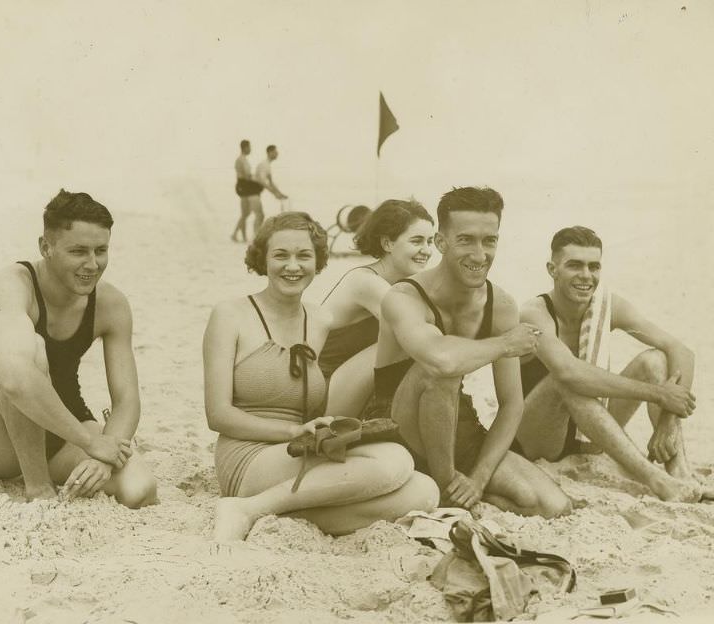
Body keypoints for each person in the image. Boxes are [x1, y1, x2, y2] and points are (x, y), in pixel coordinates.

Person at [204, 211, 438, 541]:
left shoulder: (319, 320)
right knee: (394, 461)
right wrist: (291, 430)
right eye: (281, 255)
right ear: (263, 259)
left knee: (424, 492)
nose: (293, 266)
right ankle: (244, 508)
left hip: (296, 448)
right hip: (248, 456)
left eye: (304, 256)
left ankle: (280, 510)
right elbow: (218, 414)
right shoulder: (230, 314)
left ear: (318, 262)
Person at [367, 186, 571, 518]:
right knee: (441, 368)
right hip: (398, 430)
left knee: (551, 506)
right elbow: (440, 360)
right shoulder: (404, 296)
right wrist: (506, 344)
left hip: (454, 426)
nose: (479, 255)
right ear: (440, 242)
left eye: (489, 240)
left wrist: (478, 478)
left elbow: (511, 403)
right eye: (466, 240)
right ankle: (447, 489)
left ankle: (461, 494)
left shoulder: (500, 305)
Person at [0, 189, 157, 508]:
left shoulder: (111, 304)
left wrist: (105, 456)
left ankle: (54, 471)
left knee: (139, 488)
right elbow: (13, 380)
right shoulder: (12, 285)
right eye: (78, 251)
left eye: (101, 250)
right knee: (27, 352)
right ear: (45, 247)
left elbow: (127, 398)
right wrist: (91, 441)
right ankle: (38, 490)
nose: (92, 264)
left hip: (63, 427)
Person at [514, 226, 706, 503]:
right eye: (574, 265)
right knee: (563, 378)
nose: (586, 275)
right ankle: (657, 480)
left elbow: (681, 351)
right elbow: (569, 372)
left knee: (654, 360)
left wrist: (667, 421)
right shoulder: (535, 312)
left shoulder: (606, 305)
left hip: (589, 428)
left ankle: (680, 473)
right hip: (537, 438)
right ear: (552, 269)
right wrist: (659, 394)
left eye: (594, 266)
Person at [319, 199, 434, 420]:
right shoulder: (366, 282)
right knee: (407, 338)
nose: (427, 250)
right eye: (417, 241)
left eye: (430, 241)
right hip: (326, 389)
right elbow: (420, 332)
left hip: (353, 382)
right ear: (388, 244)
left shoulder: (404, 285)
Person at [232, 139, 264, 242]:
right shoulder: (241, 160)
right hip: (244, 185)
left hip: (243, 185)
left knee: (245, 213)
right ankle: (241, 236)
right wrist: (257, 179)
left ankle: (237, 234)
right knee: (245, 212)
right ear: (245, 147)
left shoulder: (242, 159)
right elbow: (247, 175)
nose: (250, 149)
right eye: (249, 147)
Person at [254, 144, 287, 209]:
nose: (277, 153)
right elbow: (261, 181)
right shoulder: (264, 164)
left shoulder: (268, 165)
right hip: (252, 191)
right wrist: (274, 193)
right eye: (275, 152)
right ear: (270, 153)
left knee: (249, 215)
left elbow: (271, 183)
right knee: (260, 215)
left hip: (255, 192)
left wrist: (280, 194)